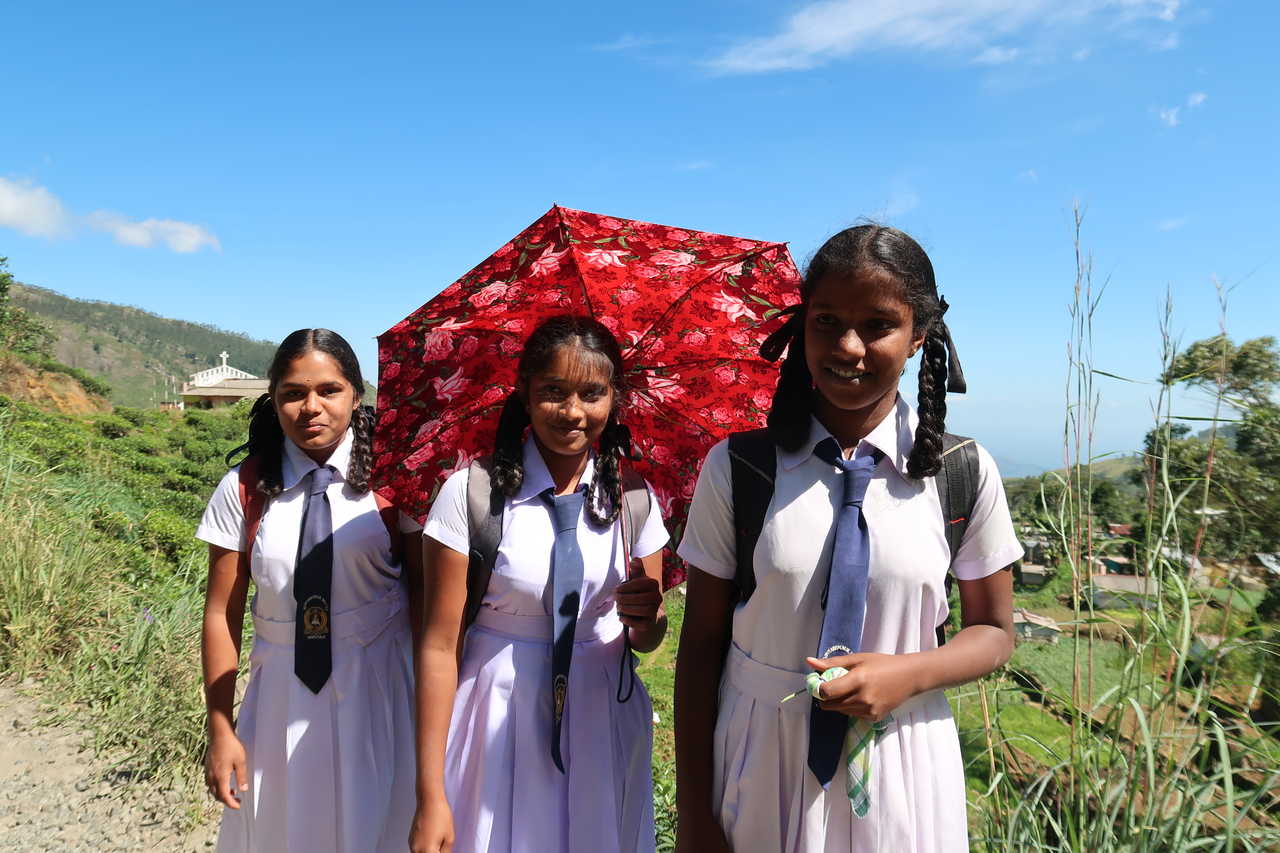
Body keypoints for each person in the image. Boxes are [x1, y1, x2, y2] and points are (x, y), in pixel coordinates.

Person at [674, 225, 1022, 852]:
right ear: (800, 326)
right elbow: (699, 644)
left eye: (878, 325)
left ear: (919, 336)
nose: (849, 346)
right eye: (827, 320)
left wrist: (908, 674)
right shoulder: (741, 468)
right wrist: (696, 813)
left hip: (902, 759)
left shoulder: (963, 472)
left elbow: (995, 633)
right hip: (759, 758)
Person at [410, 314, 669, 853]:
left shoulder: (635, 501)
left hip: (602, 716)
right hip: (495, 707)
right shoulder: (471, 495)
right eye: (554, 391)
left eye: (592, 393)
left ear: (613, 399)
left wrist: (648, 620)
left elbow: (647, 640)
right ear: (525, 393)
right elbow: (438, 645)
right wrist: (430, 792)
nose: (573, 411)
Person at [198, 328, 420, 853]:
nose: (311, 407)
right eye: (293, 393)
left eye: (329, 390)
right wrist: (220, 727)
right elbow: (220, 615)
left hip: (381, 695)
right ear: (273, 400)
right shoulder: (244, 489)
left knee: (381, 826)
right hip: (279, 699)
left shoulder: (395, 483)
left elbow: (430, 607)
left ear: (356, 395)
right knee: (284, 830)